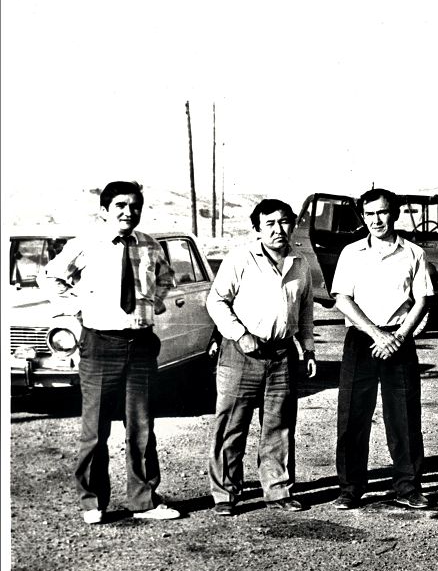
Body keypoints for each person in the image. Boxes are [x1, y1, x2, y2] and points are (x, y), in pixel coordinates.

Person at [41, 180, 180, 524]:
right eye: (120, 205)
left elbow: (166, 279)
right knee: (95, 429)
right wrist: (78, 307)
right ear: (104, 210)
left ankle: (144, 500)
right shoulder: (84, 244)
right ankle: (92, 503)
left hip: (141, 345)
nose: (128, 212)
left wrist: (154, 303)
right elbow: (50, 277)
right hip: (100, 344)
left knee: (141, 427)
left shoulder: (149, 245)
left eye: (135, 206)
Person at [206, 199, 317, 516]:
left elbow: (305, 310)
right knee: (231, 424)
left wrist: (308, 348)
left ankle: (278, 490)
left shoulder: (300, 263)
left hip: (282, 354)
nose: (277, 229)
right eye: (269, 223)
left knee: (278, 426)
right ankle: (225, 493)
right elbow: (216, 301)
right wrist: (240, 334)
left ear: (292, 225)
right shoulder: (240, 258)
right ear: (257, 229)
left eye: (284, 222)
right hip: (241, 353)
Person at [330, 188, 433, 510]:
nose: (376, 220)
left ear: (395, 214)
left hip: (400, 339)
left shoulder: (414, 253)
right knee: (353, 415)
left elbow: (422, 300)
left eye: (382, 212)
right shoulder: (351, 253)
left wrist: (398, 337)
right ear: (363, 216)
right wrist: (376, 334)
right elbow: (342, 298)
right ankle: (350, 488)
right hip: (362, 339)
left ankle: (408, 486)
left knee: (404, 416)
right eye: (369, 214)